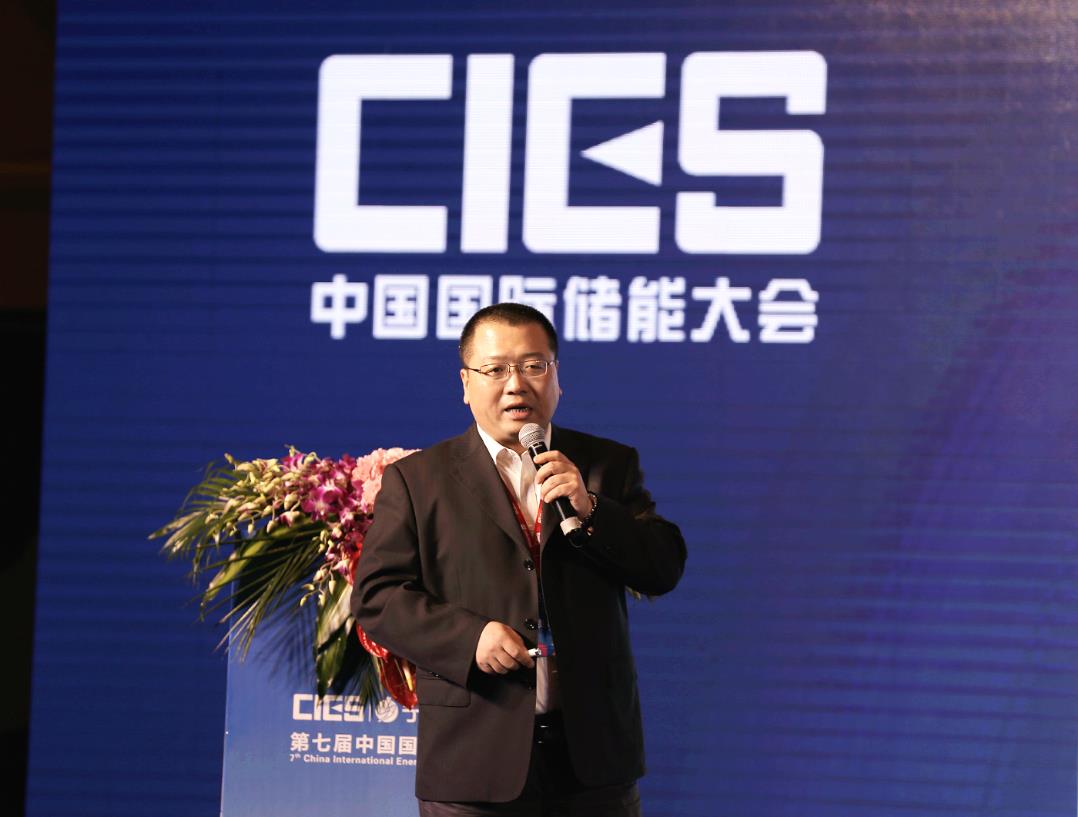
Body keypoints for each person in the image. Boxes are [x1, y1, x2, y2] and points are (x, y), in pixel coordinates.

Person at [352, 302, 686, 816]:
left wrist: (591, 508)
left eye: (533, 366)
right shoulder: (419, 480)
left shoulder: (606, 464)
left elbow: (662, 567)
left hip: (594, 760)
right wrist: (469, 638)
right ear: (466, 383)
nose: (516, 385)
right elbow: (377, 597)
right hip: (472, 759)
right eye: (495, 369)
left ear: (557, 378)